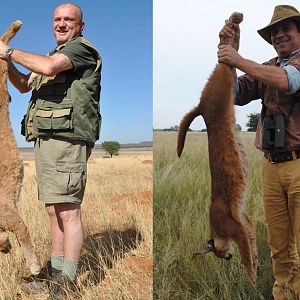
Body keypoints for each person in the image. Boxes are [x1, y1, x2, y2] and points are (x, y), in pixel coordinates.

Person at [0, 2, 101, 299]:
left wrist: (6, 50)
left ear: (80, 25)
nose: (62, 23)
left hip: (68, 140)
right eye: (57, 19)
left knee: (69, 212)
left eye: (69, 19)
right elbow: (22, 85)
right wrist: (7, 64)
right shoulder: (51, 54)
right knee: (53, 210)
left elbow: (48, 68)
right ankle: (55, 273)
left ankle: (68, 282)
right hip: (46, 140)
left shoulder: (81, 50)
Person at [218, 4, 300, 300]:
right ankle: (284, 294)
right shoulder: (268, 66)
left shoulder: (291, 67)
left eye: (286, 29)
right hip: (271, 165)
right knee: (279, 243)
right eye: (274, 32)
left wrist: (238, 59)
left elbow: (287, 81)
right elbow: (233, 93)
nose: (279, 35)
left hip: (299, 165)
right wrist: (227, 55)